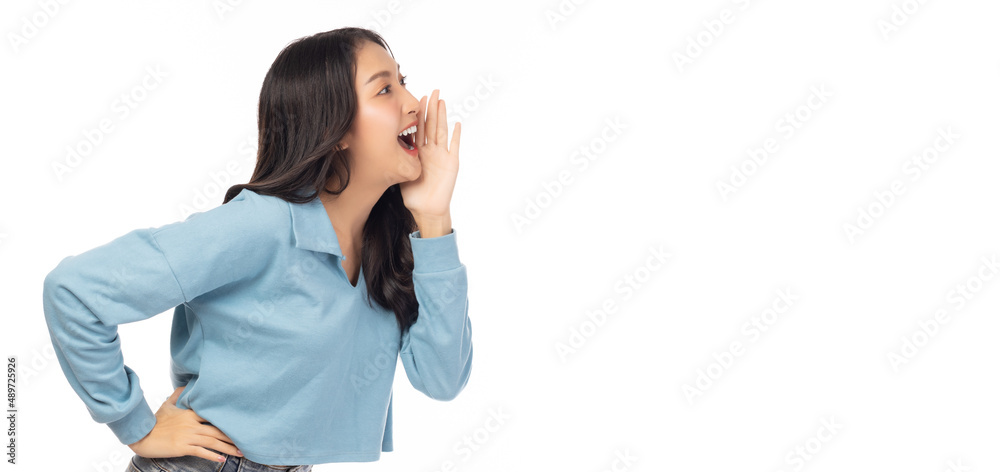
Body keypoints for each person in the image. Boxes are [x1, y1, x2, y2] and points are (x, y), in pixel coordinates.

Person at [41, 26, 472, 471]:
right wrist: (137, 426)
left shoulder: (390, 246)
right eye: (385, 89)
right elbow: (73, 291)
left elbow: (442, 379)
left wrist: (434, 217)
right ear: (335, 127)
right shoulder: (262, 224)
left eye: (403, 81)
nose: (414, 103)